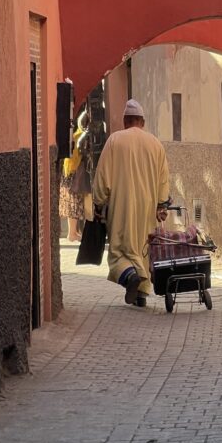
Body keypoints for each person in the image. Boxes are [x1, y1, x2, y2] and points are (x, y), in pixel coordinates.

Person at [92, 99, 171, 308]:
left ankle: (129, 278)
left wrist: (99, 203)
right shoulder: (155, 144)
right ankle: (141, 296)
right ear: (142, 121)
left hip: (122, 207)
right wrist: (162, 206)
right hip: (147, 209)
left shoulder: (115, 140)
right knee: (143, 250)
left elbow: (102, 178)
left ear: (125, 121)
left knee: (120, 251)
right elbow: (164, 180)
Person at [58, 111, 91, 242]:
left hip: (69, 171)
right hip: (73, 173)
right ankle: (72, 233)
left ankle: (73, 232)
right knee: (73, 204)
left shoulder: (76, 135)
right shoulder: (81, 136)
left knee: (72, 204)